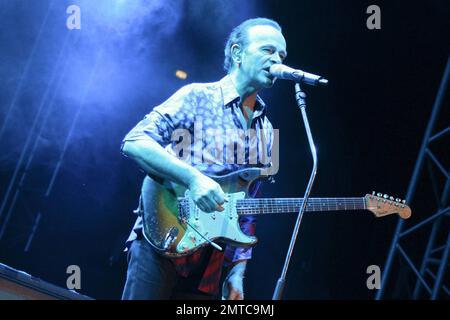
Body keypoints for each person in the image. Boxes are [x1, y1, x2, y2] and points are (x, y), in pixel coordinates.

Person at [120, 17, 287, 300]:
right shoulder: (197, 96)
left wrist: (236, 274)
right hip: (163, 241)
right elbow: (135, 141)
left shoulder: (269, 132)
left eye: (282, 55)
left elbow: (248, 209)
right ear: (237, 53)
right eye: (268, 50)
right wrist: (193, 178)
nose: (278, 60)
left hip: (210, 264)